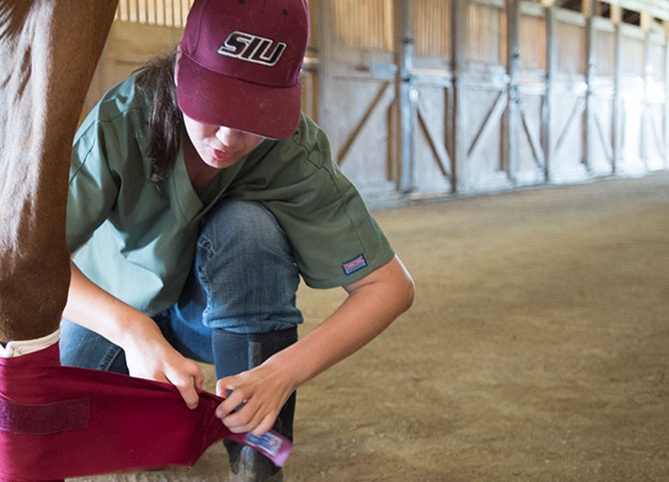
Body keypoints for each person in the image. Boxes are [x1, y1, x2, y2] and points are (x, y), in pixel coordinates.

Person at [59, 0, 416, 480]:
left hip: (212, 324)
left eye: (255, 116)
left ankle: (255, 464)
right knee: (71, 429)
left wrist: (284, 370)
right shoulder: (119, 121)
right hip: (117, 309)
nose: (227, 138)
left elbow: (390, 287)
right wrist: (132, 331)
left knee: (248, 227)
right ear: (184, 70)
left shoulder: (293, 151)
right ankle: (170, 412)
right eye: (215, 105)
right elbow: (30, 265)